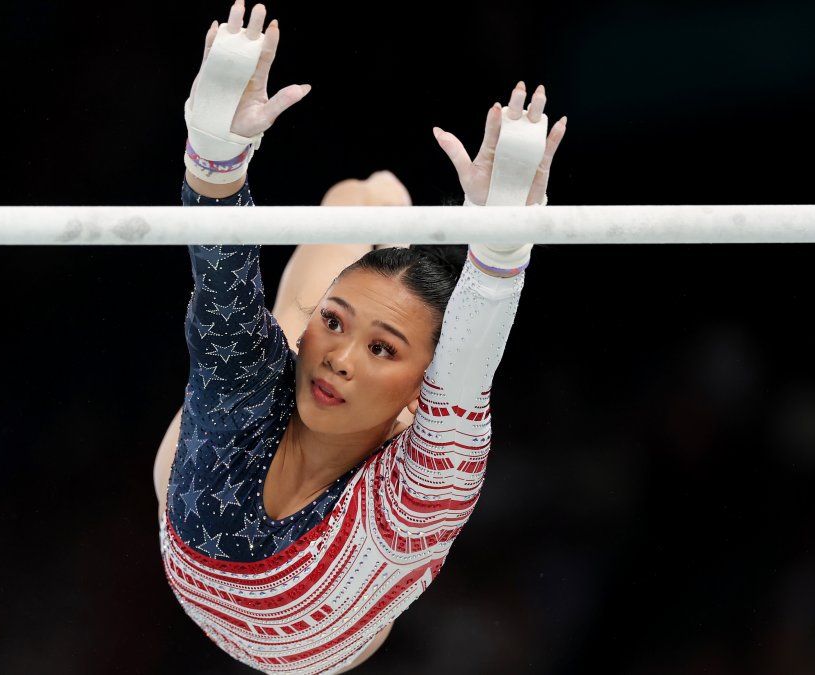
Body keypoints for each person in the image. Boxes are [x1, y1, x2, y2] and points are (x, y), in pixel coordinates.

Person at [154, 2, 567, 672]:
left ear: (420, 393)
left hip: (324, 642)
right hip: (208, 493)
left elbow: (465, 369)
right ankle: (379, 228)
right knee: (337, 240)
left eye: (382, 350)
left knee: (349, 237)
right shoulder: (247, 383)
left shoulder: (412, 496)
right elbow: (220, 260)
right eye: (339, 325)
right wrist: (215, 147)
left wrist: (500, 248)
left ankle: (387, 228)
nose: (339, 358)